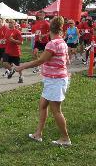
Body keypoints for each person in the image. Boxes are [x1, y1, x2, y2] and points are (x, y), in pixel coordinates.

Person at [15, 16, 71, 146]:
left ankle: (65, 138)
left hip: (55, 81)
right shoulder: (62, 42)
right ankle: (38, 134)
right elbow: (66, 61)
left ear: (49, 29)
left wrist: (22, 66)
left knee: (56, 110)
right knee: (43, 105)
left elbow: (41, 60)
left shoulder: (53, 44)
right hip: (54, 80)